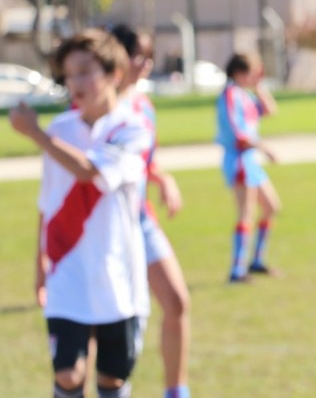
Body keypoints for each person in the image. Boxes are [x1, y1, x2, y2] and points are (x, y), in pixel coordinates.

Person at [10, 29, 150, 398]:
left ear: (114, 74)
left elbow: (91, 172)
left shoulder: (131, 129)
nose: (76, 82)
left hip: (118, 279)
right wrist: (40, 266)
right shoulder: (60, 130)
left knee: (111, 379)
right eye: (69, 74)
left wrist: (35, 134)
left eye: (86, 70)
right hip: (67, 274)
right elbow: (48, 201)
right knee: (69, 375)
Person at [108, 24, 192, 398]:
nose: (144, 64)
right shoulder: (97, 105)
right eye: (136, 55)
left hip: (141, 220)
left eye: (148, 56)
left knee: (176, 302)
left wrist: (163, 178)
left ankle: (176, 392)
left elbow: (143, 164)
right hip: (106, 226)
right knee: (112, 321)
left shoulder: (144, 107)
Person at [215, 52, 281, 283]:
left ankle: (256, 261)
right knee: (246, 213)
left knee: (272, 206)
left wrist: (259, 86)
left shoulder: (244, 95)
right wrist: (264, 147)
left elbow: (270, 110)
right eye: (251, 72)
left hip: (251, 160)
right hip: (240, 159)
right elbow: (238, 134)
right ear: (240, 73)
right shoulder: (230, 96)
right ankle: (237, 270)